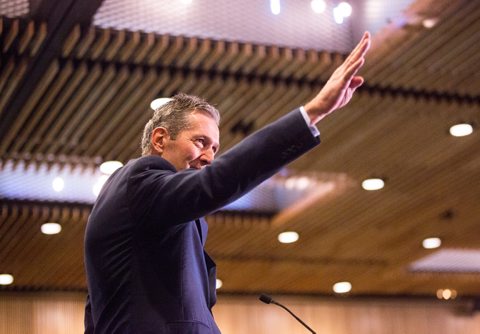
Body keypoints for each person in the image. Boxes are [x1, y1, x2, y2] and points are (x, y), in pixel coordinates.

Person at [84, 32, 371, 334]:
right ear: (160, 140)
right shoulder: (138, 182)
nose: (208, 157)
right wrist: (312, 112)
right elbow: (219, 179)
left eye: (214, 149)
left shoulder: (162, 210)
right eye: (200, 142)